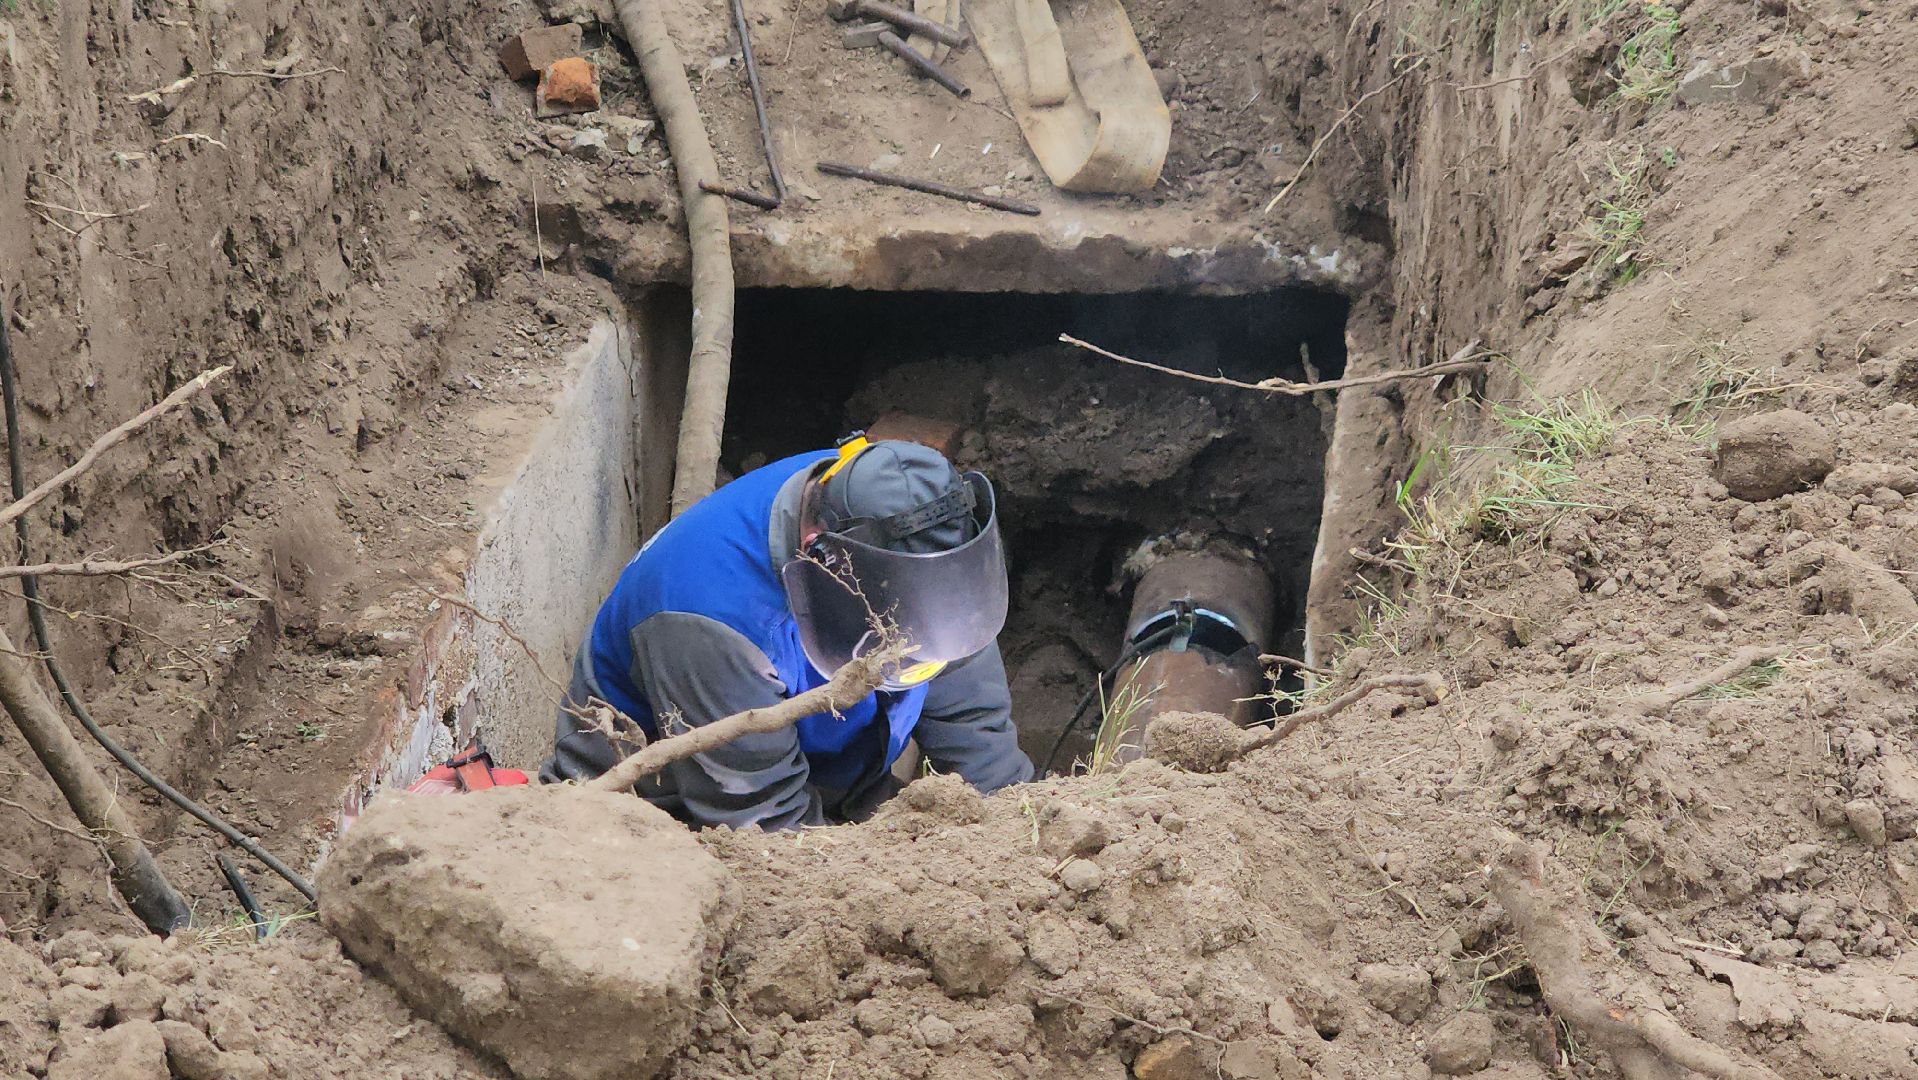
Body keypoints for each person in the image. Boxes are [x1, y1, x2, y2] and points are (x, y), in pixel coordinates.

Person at [539, 435, 1033, 828]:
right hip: (678, 810)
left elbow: (970, 702)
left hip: (830, 770)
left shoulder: (859, 490)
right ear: (822, 554)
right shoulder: (709, 617)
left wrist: (1014, 820)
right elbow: (765, 826)